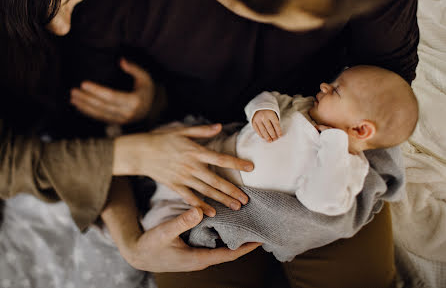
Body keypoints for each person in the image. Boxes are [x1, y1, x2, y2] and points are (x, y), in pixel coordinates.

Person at [0, 0, 419, 286]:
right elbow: (87, 132)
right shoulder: (107, 4)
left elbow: (386, 95)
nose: (60, 26)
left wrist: (336, 145)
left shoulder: (365, 6)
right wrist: (131, 239)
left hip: (323, 170)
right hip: (198, 166)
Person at [143, 65, 418, 230]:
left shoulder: (350, 167)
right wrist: (263, 110)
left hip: (218, 191)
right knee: (165, 135)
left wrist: (335, 142)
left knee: (164, 221)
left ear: (360, 129)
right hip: (214, 146)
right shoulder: (302, 107)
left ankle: (135, 219)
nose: (324, 85)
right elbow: (270, 97)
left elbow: (322, 201)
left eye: (336, 90)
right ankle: (133, 158)